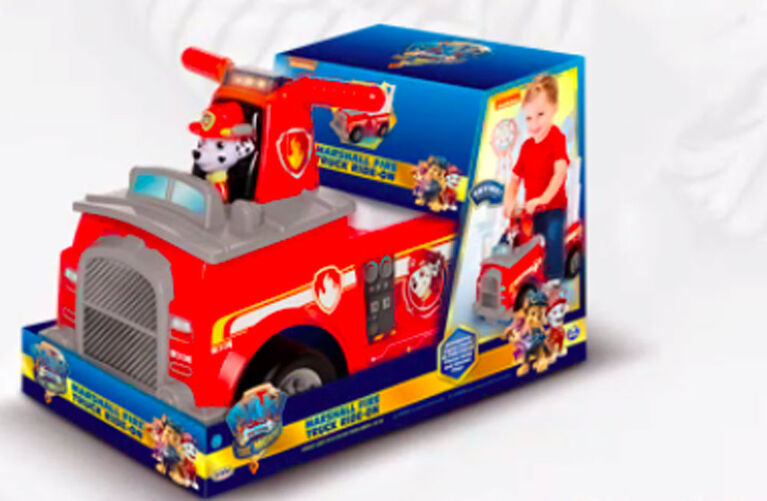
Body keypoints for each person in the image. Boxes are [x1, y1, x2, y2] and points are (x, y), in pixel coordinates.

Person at [503, 74, 569, 285]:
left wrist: (543, 199)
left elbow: (560, 172)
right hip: (532, 210)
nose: (534, 123)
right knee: (520, 239)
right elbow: (514, 179)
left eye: (540, 114)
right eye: (529, 118)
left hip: (554, 208)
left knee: (552, 236)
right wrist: (509, 200)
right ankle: (517, 275)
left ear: (554, 109)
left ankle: (554, 279)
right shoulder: (526, 147)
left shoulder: (556, 137)